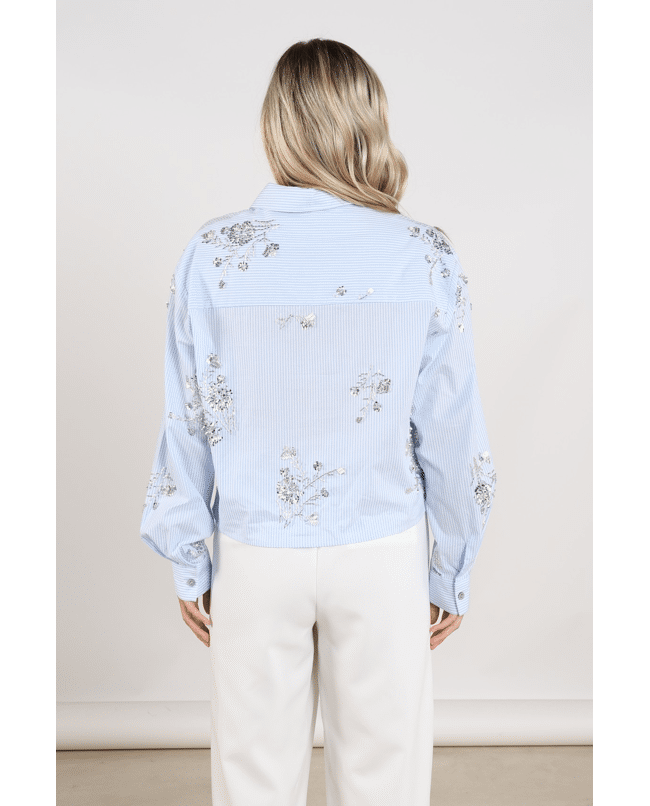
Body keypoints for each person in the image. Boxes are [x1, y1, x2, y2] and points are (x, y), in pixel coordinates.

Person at [140, 37, 497, 806]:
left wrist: (189, 557)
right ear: (368, 120)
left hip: (253, 552)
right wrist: (451, 568)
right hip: (382, 551)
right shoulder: (423, 255)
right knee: (384, 782)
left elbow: (188, 416)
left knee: (251, 781)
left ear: (277, 123)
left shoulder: (212, 255)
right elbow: (452, 433)